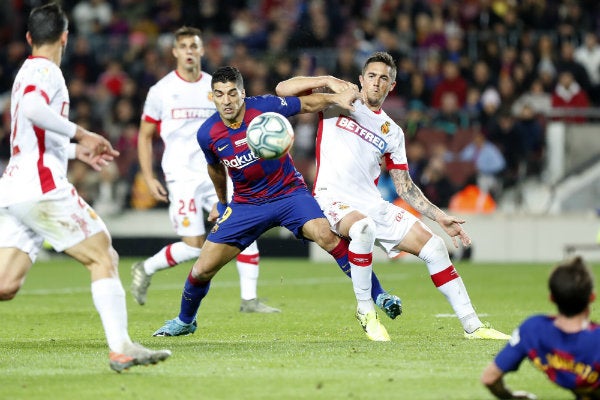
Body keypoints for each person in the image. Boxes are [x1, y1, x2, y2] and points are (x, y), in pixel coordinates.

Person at [152, 66, 401, 341]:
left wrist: (333, 98)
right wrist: (222, 203)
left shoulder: (264, 108)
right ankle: (185, 320)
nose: (227, 101)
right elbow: (215, 169)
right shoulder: (207, 133)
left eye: (232, 93)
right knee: (201, 269)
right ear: (212, 97)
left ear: (242, 94)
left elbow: (305, 103)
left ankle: (380, 295)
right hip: (246, 204)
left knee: (326, 236)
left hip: (288, 194)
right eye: (220, 95)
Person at [275, 51, 510, 340]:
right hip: (331, 197)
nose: (376, 82)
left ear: (391, 86)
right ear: (361, 79)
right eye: (371, 76)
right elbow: (282, 90)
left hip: (371, 202)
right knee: (362, 228)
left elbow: (405, 186)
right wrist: (327, 81)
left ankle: (473, 326)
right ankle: (366, 311)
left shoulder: (393, 132)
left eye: (383, 78)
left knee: (435, 247)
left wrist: (439, 217)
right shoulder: (337, 101)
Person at [0, 3, 170, 372]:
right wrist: (83, 132)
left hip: (15, 187)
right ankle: (121, 347)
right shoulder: (45, 70)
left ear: (30, 38)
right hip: (41, 187)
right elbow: (31, 109)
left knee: (5, 284)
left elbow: (34, 133)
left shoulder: (25, 69)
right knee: (103, 255)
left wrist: (76, 149)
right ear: (64, 36)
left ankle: (122, 346)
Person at [131, 26, 278, 314]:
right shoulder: (161, 91)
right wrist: (148, 177)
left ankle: (249, 299)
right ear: (175, 52)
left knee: (244, 224)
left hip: (216, 172)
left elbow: (234, 123)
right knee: (195, 246)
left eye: (193, 46)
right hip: (180, 175)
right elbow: (144, 135)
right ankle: (146, 267)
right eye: (183, 46)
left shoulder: (214, 88)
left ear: (201, 50)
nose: (189, 51)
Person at [481, 256, 600, 400]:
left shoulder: (533, 330)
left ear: (551, 298)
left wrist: (510, 397)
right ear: (592, 297)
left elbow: (489, 378)